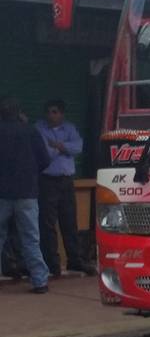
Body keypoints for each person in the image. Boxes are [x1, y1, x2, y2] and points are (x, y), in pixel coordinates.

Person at [35, 99, 95, 276]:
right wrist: (63, 148)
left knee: (70, 222)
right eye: (49, 112)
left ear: (62, 113)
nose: (51, 115)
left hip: (67, 181)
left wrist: (59, 146)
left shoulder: (69, 128)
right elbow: (44, 152)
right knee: (47, 224)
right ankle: (52, 263)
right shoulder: (39, 128)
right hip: (47, 181)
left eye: (55, 112)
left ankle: (75, 261)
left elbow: (78, 147)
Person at [0, 96, 51, 293]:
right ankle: (40, 281)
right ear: (19, 113)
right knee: (30, 238)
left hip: (2, 192)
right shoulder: (31, 131)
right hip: (27, 193)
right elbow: (45, 160)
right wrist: (29, 173)